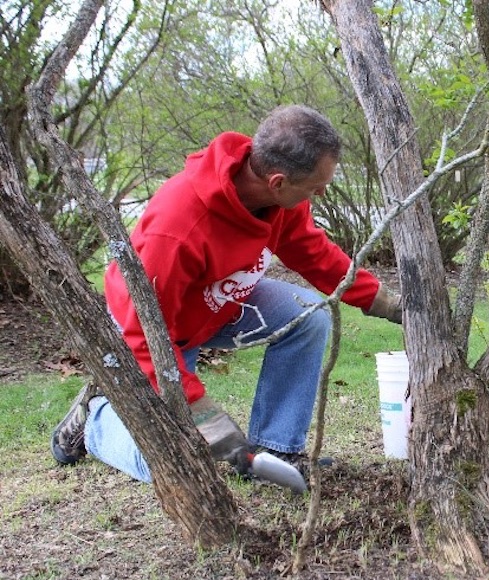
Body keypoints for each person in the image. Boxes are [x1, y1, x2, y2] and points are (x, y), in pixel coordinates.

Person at [50, 105, 403, 483]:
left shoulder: (280, 202)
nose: (321, 192)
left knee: (309, 318)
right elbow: (144, 334)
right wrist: (204, 416)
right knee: (170, 462)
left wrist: (388, 305)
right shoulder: (176, 229)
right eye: (316, 185)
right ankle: (97, 418)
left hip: (217, 303)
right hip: (151, 330)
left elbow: (313, 253)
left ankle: (277, 449)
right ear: (278, 182)